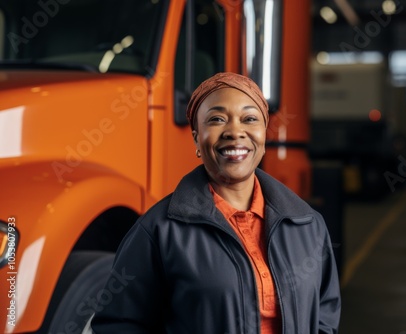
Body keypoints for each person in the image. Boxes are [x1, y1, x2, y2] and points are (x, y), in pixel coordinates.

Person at [91, 72, 341, 333]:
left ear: (264, 135)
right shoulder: (158, 231)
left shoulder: (307, 224)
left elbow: (325, 314)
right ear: (197, 138)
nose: (235, 131)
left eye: (250, 119)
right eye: (217, 119)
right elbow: (118, 325)